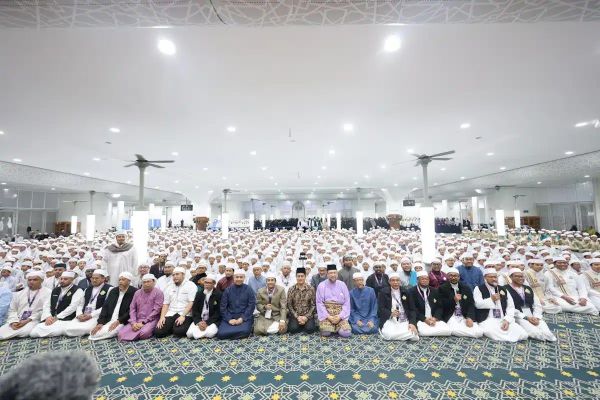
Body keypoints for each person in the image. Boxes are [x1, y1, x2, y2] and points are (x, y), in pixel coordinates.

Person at [473, 269, 528, 342]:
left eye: (495, 277)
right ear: (485, 278)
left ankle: (507, 337)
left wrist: (507, 320)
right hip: (488, 319)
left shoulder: (503, 289)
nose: (494, 279)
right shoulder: (479, 288)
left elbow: (510, 306)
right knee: (490, 331)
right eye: (491, 277)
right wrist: (491, 299)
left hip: (502, 318)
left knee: (523, 334)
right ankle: (507, 339)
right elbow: (477, 304)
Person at [505, 268, 556, 342]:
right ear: (511, 277)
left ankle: (546, 335)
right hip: (518, 316)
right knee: (536, 333)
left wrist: (537, 317)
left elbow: (537, 304)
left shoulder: (528, 288)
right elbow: (508, 308)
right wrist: (526, 317)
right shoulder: (505, 289)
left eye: (522, 276)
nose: (520, 278)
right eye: (517, 276)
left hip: (532, 315)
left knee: (548, 334)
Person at [30, 271, 83, 338]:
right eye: (61, 279)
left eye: (65, 279)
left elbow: (73, 307)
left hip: (65, 318)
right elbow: (46, 305)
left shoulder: (77, 290)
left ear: (72, 280)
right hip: (51, 317)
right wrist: (48, 316)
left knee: (55, 331)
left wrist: (57, 317)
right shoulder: (55, 290)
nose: (62, 281)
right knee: (33, 333)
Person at [0, 271, 50, 340]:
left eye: (35, 280)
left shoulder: (48, 292)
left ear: (42, 280)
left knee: (25, 331)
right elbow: (12, 310)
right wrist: (13, 321)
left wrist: (28, 320)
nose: (31, 282)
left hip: (34, 319)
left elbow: (45, 310)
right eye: (29, 280)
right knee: (3, 330)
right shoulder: (19, 293)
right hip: (18, 318)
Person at [89, 271, 137, 341]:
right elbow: (105, 307)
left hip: (123, 320)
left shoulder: (134, 292)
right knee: (93, 332)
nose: (120, 282)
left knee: (106, 332)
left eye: (123, 280)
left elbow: (131, 310)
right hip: (109, 319)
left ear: (129, 281)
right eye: (119, 280)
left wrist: (119, 321)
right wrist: (100, 322)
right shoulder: (113, 291)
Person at [64, 269, 112, 337]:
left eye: (97, 278)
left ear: (103, 279)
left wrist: (91, 315)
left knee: (84, 329)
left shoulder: (110, 289)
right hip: (84, 314)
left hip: (97, 315)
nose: (94, 280)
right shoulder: (87, 289)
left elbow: (106, 307)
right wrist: (79, 314)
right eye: (93, 278)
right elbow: (80, 304)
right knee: (67, 328)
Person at [438, 267, 483, 338]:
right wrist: (454, 300)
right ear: (447, 276)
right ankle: (468, 333)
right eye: (451, 275)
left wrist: (470, 317)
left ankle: (466, 333)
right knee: (455, 330)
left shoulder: (466, 288)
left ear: (459, 277)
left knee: (479, 332)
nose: (453, 278)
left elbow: (471, 304)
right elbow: (441, 306)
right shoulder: (442, 288)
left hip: (464, 315)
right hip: (451, 315)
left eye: (455, 276)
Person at [118, 274, 164, 341]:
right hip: (137, 319)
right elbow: (132, 308)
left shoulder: (158, 293)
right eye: (144, 282)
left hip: (151, 320)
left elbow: (156, 310)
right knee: (120, 333)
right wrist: (133, 322)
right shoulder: (137, 293)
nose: (146, 284)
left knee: (144, 334)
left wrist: (143, 322)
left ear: (154, 282)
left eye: (148, 281)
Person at [154, 267, 196, 338]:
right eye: (173, 275)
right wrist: (162, 317)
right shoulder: (169, 286)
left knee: (179, 332)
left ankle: (173, 327)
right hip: (171, 312)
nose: (175, 276)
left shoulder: (191, 285)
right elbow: (166, 304)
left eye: (177, 274)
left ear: (183, 275)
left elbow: (191, 302)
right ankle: (172, 326)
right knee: (158, 332)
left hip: (184, 313)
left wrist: (183, 316)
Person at [377, 273, 418, 341]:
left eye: (397, 280)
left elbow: (412, 309)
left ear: (400, 281)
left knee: (414, 336)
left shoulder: (406, 292)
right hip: (390, 320)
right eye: (393, 280)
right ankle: (406, 336)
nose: (395, 282)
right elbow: (381, 308)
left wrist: (412, 323)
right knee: (389, 334)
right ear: (389, 282)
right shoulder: (383, 292)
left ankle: (400, 335)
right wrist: (391, 313)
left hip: (404, 319)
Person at [408, 271, 451, 336]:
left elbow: (439, 307)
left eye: (426, 279)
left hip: (433, 319)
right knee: (424, 332)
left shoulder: (434, 291)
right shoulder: (411, 292)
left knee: (448, 331)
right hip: (421, 319)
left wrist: (435, 318)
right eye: (422, 279)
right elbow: (413, 309)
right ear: (417, 280)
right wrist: (424, 319)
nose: (425, 280)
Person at [217, 269, 256, 339]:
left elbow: (251, 306)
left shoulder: (249, 289)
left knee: (245, 331)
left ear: (244, 278)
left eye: (241, 277)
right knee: (221, 334)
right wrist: (229, 319)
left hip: (244, 316)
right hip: (230, 316)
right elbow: (223, 307)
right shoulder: (228, 290)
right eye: (237, 277)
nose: (239, 279)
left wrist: (242, 318)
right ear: (233, 278)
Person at [316, 265, 351, 338]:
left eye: (334, 273)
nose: (333, 275)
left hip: (340, 314)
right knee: (326, 333)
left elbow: (347, 302)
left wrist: (340, 316)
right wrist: (328, 316)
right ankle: (334, 328)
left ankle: (337, 328)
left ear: (337, 274)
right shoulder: (321, 285)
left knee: (346, 333)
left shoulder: (342, 284)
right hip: (327, 314)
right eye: (330, 273)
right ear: (327, 274)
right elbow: (319, 303)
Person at [186, 274, 221, 339]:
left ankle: (202, 332)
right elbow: (195, 309)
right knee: (189, 334)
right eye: (205, 282)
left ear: (214, 284)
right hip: (200, 319)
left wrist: (207, 323)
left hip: (211, 320)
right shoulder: (199, 293)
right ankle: (201, 330)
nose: (206, 284)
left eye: (209, 283)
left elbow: (218, 312)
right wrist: (199, 322)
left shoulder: (218, 294)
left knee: (209, 334)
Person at [287, 267, 316, 334]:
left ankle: (303, 324)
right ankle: (300, 324)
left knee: (310, 329)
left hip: (307, 315)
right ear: (296, 277)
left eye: (302, 276)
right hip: (295, 315)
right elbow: (289, 305)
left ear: (305, 277)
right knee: (292, 329)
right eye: (298, 276)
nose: (300, 278)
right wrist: (297, 317)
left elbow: (313, 305)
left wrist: (306, 317)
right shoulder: (291, 289)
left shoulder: (311, 289)